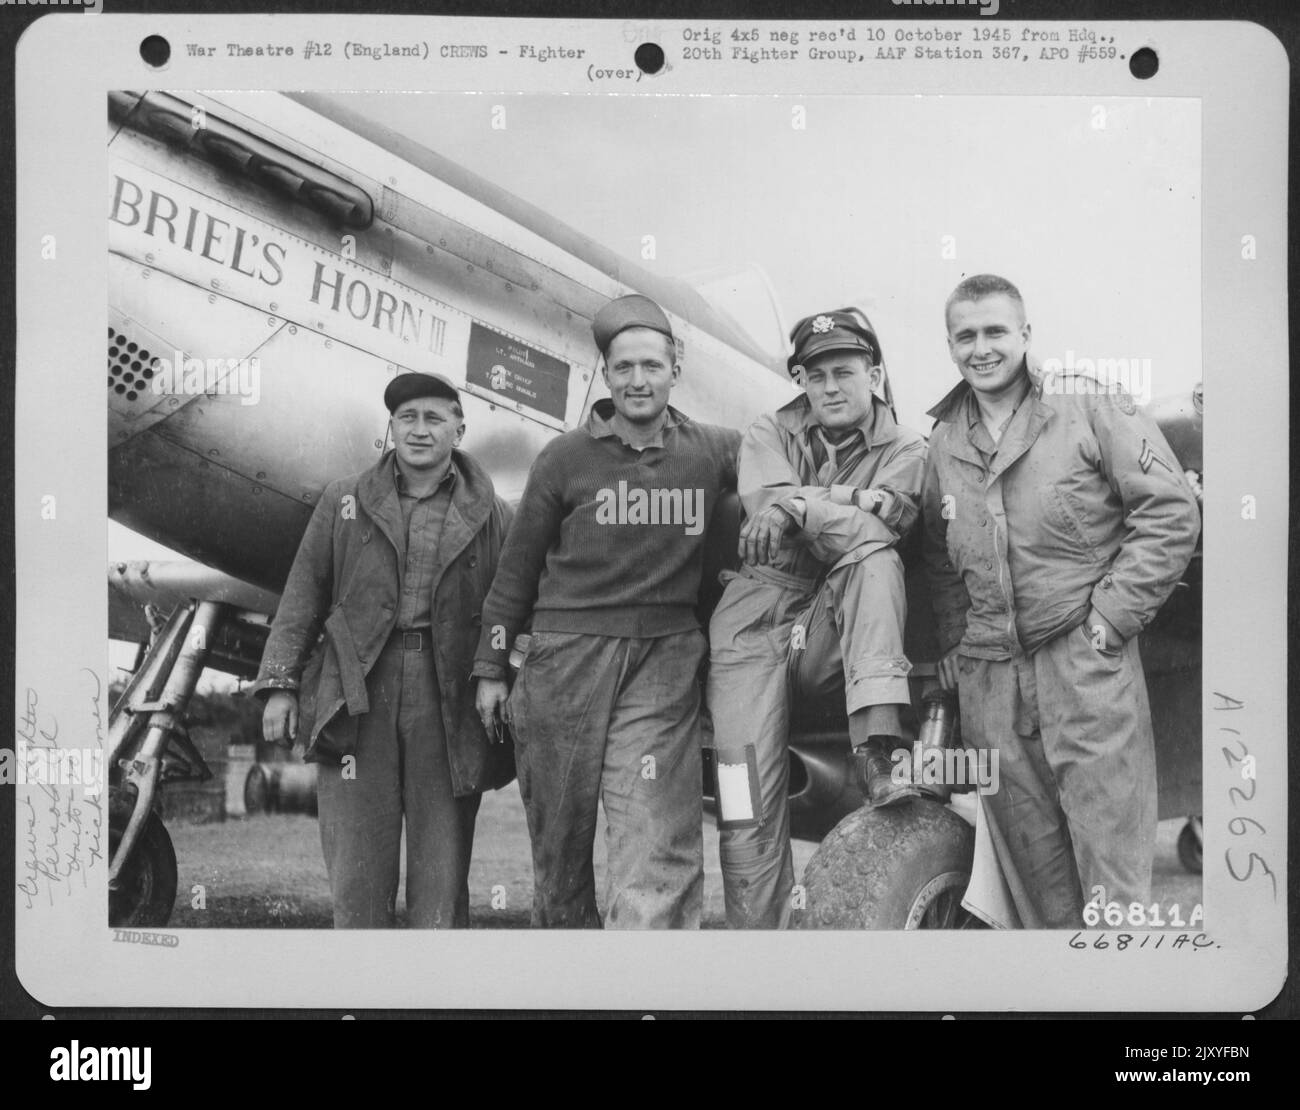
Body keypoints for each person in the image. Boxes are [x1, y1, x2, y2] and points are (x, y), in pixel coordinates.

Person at [921, 274, 1200, 928]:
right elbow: (938, 555)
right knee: (1037, 889)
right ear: (950, 344)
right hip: (990, 683)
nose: (982, 348)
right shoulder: (942, 441)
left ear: (1025, 332)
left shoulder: (1089, 405)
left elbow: (1170, 510)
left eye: (995, 331)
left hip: (1083, 665)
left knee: (1112, 885)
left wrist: (1111, 620)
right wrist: (957, 653)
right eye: (966, 335)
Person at [473, 293, 741, 929]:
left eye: (651, 365)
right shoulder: (565, 458)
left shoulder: (711, 450)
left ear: (676, 368)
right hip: (563, 661)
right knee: (560, 853)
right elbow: (516, 569)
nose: (638, 380)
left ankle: (648, 986)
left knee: (658, 840)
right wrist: (491, 664)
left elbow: (792, 451)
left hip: (663, 661)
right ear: (605, 375)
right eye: (623, 368)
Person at [252, 372, 514, 928]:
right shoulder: (343, 501)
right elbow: (303, 594)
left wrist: (496, 670)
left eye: (434, 418)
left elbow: (513, 604)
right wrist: (279, 684)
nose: (420, 430)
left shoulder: (495, 513)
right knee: (357, 873)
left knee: (440, 879)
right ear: (391, 427)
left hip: (448, 693)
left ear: (459, 429)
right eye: (407, 418)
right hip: (357, 689)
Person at [706, 308, 928, 929]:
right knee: (740, 792)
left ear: (875, 374)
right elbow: (764, 505)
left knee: (875, 556)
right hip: (755, 613)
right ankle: (760, 955)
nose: (829, 387)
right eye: (815, 374)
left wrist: (799, 504)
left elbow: (881, 528)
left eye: (845, 371)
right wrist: (850, 501)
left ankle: (877, 746)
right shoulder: (767, 431)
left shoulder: (908, 446)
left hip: (837, 608)